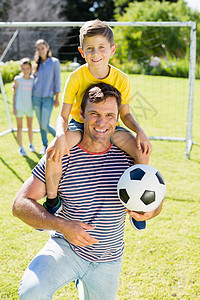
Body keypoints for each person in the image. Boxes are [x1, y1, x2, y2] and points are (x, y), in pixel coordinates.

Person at [12, 83, 164, 300]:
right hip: (66, 248)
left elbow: (156, 201)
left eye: (110, 115)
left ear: (117, 117)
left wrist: (151, 212)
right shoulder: (61, 153)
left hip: (108, 258)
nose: (102, 122)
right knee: (32, 292)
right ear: (82, 114)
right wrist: (63, 226)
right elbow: (19, 204)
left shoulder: (129, 158)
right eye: (94, 114)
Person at [44, 20, 152, 230]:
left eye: (101, 47)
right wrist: (59, 135)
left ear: (112, 49)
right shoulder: (76, 77)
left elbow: (126, 114)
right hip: (80, 125)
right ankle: (52, 201)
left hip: (112, 127)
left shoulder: (121, 78)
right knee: (53, 151)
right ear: (82, 51)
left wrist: (139, 131)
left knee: (142, 149)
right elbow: (63, 115)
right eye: (90, 48)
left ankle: (137, 205)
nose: (96, 53)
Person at [32, 39, 61, 155]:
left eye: (42, 48)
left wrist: (57, 97)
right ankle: (44, 144)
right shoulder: (36, 64)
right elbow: (32, 79)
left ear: (47, 48)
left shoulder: (54, 62)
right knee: (41, 124)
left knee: (45, 124)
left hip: (48, 98)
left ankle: (59, 139)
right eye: (38, 49)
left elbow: (57, 80)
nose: (41, 51)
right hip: (35, 98)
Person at [13, 57, 35, 156]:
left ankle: (31, 145)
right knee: (19, 127)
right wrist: (14, 107)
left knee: (30, 126)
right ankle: (21, 147)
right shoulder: (17, 79)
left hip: (29, 107)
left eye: (27, 68)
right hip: (19, 107)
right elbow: (14, 94)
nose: (26, 71)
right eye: (23, 69)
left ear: (30, 68)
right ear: (21, 69)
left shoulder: (33, 80)